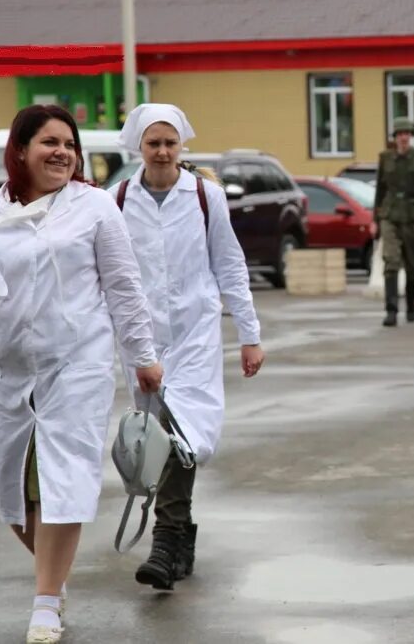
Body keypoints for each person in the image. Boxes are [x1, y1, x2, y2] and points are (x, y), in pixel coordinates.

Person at [0, 104, 163, 644]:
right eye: (49, 142)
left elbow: (124, 288)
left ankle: (45, 600)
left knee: (63, 483)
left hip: (77, 366)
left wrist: (143, 356)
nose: (62, 152)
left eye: (69, 143)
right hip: (10, 369)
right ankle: (54, 577)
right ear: (20, 151)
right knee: (13, 492)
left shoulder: (93, 208)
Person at [109, 104, 265, 591]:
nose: (161, 151)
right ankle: (180, 540)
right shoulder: (116, 200)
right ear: (139, 146)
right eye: (153, 143)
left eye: (170, 143)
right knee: (156, 437)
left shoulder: (204, 196)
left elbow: (230, 265)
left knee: (182, 434)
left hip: (196, 337)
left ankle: (165, 540)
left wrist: (249, 334)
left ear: (182, 147)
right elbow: (108, 277)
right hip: (143, 339)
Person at [369, 117, 414, 327]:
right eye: (400, 134)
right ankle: (391, 310)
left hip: (413, 216)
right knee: (391, 261)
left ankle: (412, 305)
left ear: (411, 136)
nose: (404, 138)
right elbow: (380, 190)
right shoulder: (385, 158)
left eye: (407, 134)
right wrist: (375, 220)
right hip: (389, 215)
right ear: (395, 138)